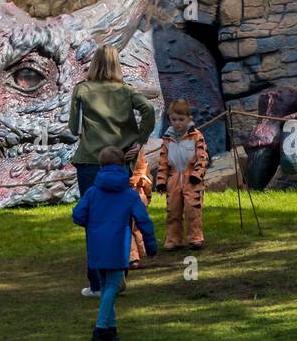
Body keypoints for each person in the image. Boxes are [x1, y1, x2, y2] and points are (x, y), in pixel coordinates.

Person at [69, 45, 155, 295]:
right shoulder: (126, 90)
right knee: (121, 218)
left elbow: (74, 128)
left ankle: (97, 283)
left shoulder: (82, 90)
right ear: (117, 65)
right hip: (120, 161)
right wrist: (140, 139)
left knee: (93, 221)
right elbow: (148, 110)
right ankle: (119, 275)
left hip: (90, 162)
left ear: (94, 64)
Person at [72, 147, 157, 341]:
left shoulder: (93, 192)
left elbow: (78, 215)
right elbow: (143, 220)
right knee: (112, 286)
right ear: (123, 165)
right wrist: (151, 245)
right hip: (118, 245)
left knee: (104, 285)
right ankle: (101, 327)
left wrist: (93, 224)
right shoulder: (128, 194)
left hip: (95, 245)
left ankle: (111, 327)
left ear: (100, 166)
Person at [154, 99, 209, 251]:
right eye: (173, 120)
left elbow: (202, 157)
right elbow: (163, 161)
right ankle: (174, 239)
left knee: (193, 210)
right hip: (173, 179)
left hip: (192, 179)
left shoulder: (196, 136)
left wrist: (197, 174)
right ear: (169, 119)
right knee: (172, 211)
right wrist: (161, 181)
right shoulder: (167, 138)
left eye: (181, 119)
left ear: (188, 119)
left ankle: (196, 238)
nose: (177, 123)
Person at [128, 149, 154, 269]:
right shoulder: (142, 161)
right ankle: (142, 253)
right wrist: (148, 196)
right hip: (140, 196)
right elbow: (148, 181)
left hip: (129, 197)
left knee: (128, 228)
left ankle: (133, 257)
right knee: (138, 228)